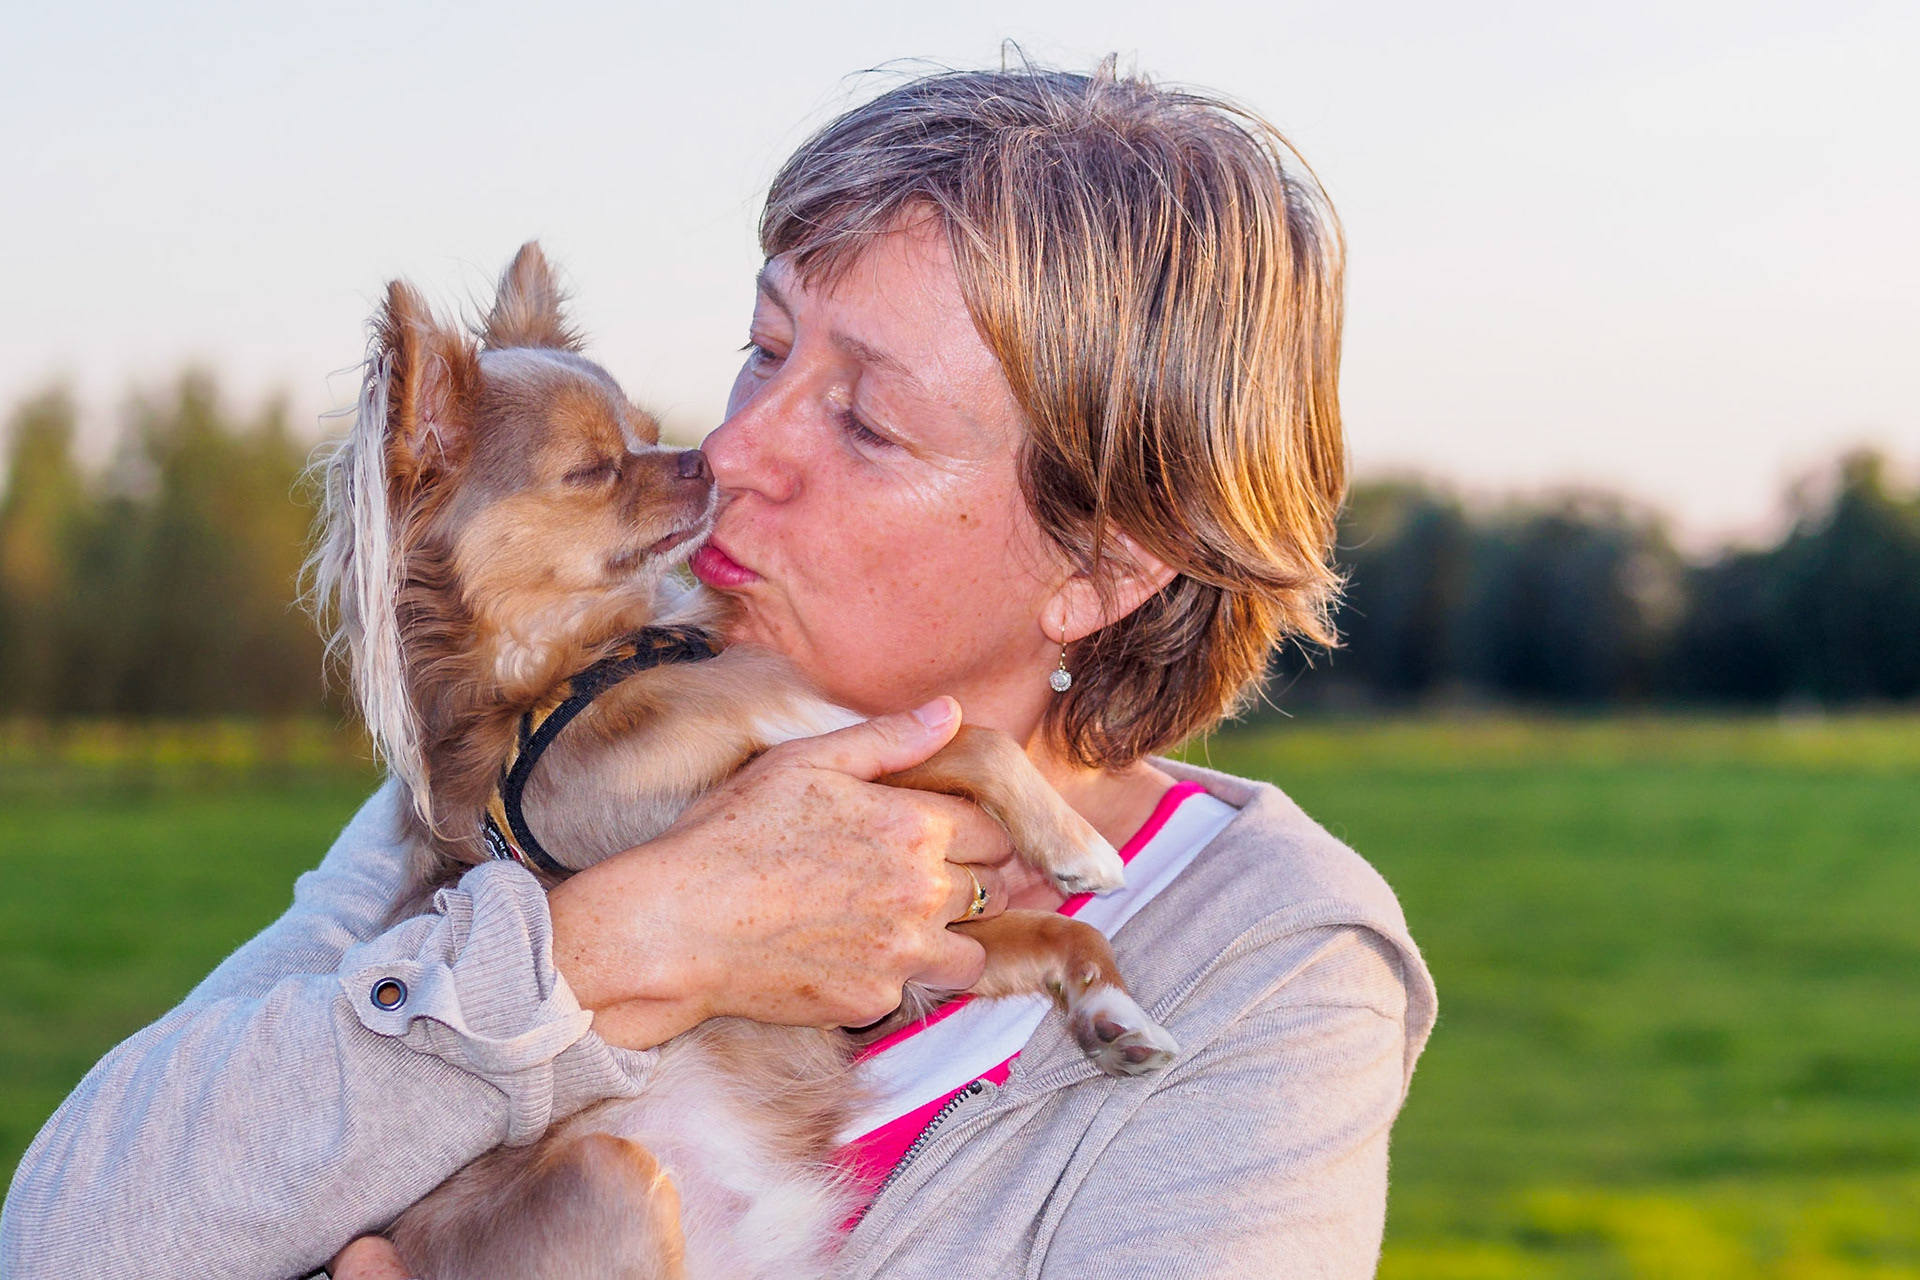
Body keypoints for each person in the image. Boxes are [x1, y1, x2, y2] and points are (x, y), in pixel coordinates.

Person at [0, 61, 1435, 1278]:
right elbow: (72, 1235)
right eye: (765, 348)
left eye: (865, 420)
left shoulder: (1268, 963)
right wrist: (616, 942)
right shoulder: (518, 781)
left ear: (1105, 569)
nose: (736, 450)